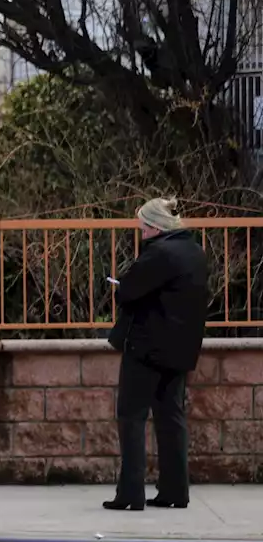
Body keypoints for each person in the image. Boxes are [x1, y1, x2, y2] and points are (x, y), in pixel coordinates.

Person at [104, 198, 208, 512]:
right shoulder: (194, 252)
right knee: (171, 417)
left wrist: (119, 286)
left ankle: (130, 494)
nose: (141, 233)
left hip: (146, 348)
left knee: (132, 417)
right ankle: (175, 492)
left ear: (155, 226)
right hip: (180, 349)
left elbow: (128, 291)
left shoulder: (159, 253)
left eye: (143, 227)